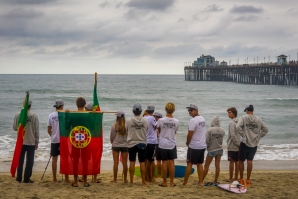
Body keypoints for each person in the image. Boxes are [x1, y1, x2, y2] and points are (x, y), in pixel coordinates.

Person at [236, 104, 268, 186]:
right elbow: (265, 130)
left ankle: (241, 179)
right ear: (252, 110)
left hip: (245, 142)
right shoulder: (258, 119)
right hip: (254, 143)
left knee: (241, 160)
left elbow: (238, 127)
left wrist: (243, 135)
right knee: (250, 161)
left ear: (246, 110)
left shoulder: (243, 117)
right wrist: (258, 137)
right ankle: (248, 180)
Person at [13, 100, 39, 183]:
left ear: (23, 105)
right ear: (30, 106)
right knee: (29, 161)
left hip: (21, 141)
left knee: (20, 160)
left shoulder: (18, 115)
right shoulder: (34, 116)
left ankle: (19, 177)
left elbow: (14, 128)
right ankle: (27, 178)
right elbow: (36, 130)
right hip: (31, 141)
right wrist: (37, 142)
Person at [183, 104, 206, 186]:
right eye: (189, 110)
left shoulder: (193, 121)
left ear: (196, 110)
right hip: (202, 145)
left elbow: (190, 134)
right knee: (200, 163)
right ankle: (201, 182)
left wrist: (187, 142)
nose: (190, 112)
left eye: (191, 110)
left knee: (189, 163)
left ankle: (185, 182)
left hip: (194, 145)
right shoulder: (202, 119)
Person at [157, 102, 179, 187]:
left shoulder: (161, 120)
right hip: (172, 143)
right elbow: (175, 132)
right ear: (173, 110)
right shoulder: (176, 121)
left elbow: (158, 130)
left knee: (164, 163)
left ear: (165, 109)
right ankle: (172, 182)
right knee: (172, 162)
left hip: (163, 144)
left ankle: (164, 182)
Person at [47, 99, 69, 183]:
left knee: (54, 159)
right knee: (65, 159)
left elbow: (49, 129)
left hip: (54, 140)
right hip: (63, 139)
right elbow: (68, 127)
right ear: (62, 106)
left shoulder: (51, 115)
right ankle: (66, 179)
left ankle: (54, 178)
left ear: (56, 106)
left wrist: (53, 136)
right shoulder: (64, 115)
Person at [126, 103, 148, 186]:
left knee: (132, 161)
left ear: (133, 111)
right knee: (142, 162)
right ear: (141, 111)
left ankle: (131, 181)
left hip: (132, 143)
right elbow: (147, 130)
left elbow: (126, 130)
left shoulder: (128, 120)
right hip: (142, 142)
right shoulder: (145, 121)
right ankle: (143, 182)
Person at [203, 115, 225, 186]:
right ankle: (215, 181)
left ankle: (201, 180)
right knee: (217, 165)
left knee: (206, 166)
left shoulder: (210, 130)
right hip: (220, 149)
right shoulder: (222, 130)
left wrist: (207, 147)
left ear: (212, 122)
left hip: (212, 150)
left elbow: (206, 141)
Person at [84, 103, 101, 183]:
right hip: (93, 140)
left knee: (86, 160)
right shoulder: (95, 118)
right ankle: (94, 178)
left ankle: (85, 178)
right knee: (94, 159)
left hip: (88, 141)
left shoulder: (84, 117)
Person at [110, 110, 128, 183]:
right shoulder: (127, 125)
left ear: (117, 117)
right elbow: (129, 136)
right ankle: (125, 179)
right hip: (125, 145)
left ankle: (115, 179)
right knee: (124, 163)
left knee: (116, 162)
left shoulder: (114, 125)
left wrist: (112, 142)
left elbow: (112, 136)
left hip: (116, 145)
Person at [144, 105, 158, 183]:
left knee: (146, 160)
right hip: (152, 141)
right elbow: (156, 126)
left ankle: (145, 177)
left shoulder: (144, 118)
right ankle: (151, 178)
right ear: (153, 111)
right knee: (151, 160)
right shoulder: (152, 118)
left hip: (145, 140)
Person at [226, 107, 240, 182]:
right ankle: (236, 177)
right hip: (237, 145)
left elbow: (232, 135)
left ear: (234, 113)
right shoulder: (239, 122)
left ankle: (231, 178)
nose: (228, 114)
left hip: (232, 145)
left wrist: (237, 144)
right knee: (236, 161)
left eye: (230, 112)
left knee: (231, 161)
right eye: (228, 112)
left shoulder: (232, 123)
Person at [153, 112, 163, 178]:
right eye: (155, 116)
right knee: (165, 160)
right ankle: (164, 173)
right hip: (163, 143)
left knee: (158, 160)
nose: (155, 118)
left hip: (157, 143)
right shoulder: (163, 124)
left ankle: (159, 174)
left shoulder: (156, 124)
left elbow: (156, 134)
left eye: (157, 117)